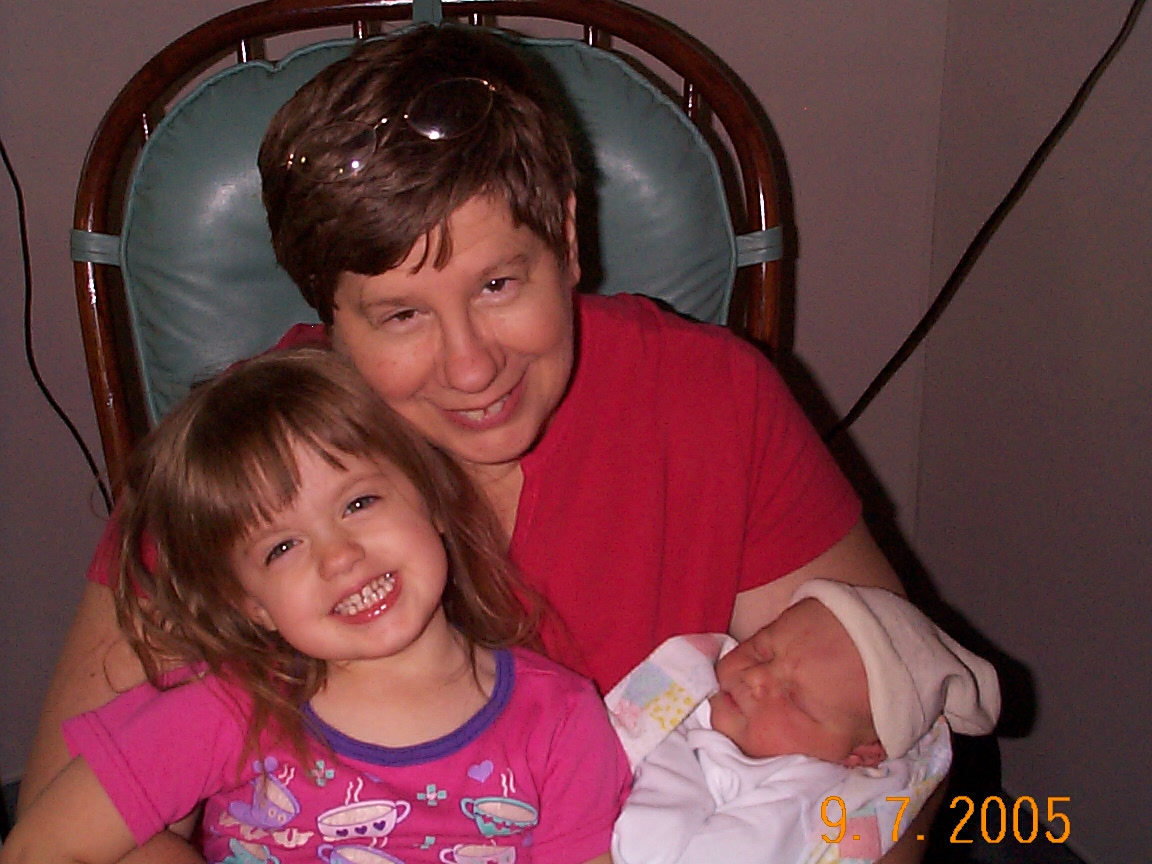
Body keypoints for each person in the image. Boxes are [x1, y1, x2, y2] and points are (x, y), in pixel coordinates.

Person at [20, 22, 938, 864]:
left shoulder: (713, 402)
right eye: (401, 314)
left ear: (567, 239)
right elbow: (65, 831)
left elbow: (901, 750)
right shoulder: (244, 465)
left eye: (499, 284)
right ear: (327, 316)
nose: (470, 368)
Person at [3, 350, 630, 864]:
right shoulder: (226, 711)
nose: (339, 557)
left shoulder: (562, 722)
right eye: (281, 548)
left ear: (434, 497)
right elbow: (39, 849)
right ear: (251, 604)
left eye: (358, 503)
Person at [609, 580, 1000, 864]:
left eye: (794, 699)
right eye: (761, 650)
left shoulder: (801, 797)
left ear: (860, 755)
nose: (756, 678)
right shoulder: (691, 685)